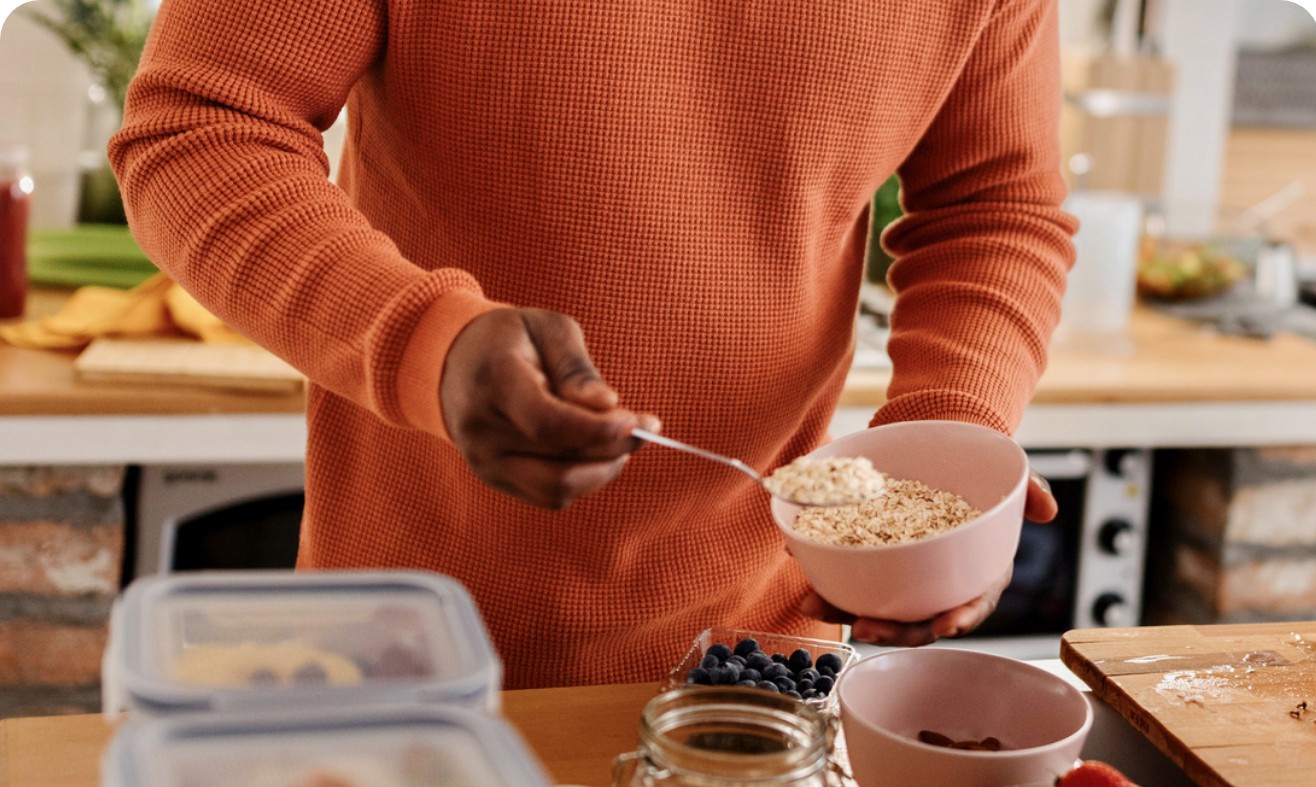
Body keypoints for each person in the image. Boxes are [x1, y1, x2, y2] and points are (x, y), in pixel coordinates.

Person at [109, 0, 1074, 689]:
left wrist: (945, 452)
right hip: (404, 640)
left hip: (755, 661)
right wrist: (423, 345)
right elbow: (202, 125)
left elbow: (996, 206)